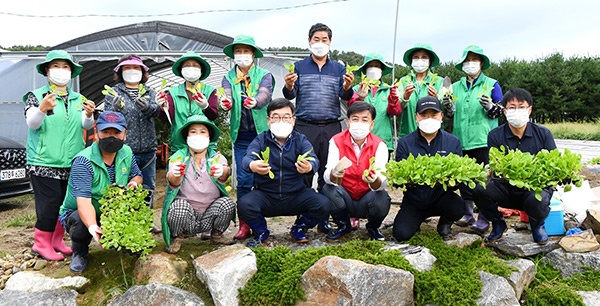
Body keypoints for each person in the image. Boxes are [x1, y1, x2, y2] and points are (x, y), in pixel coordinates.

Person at [23, 50, 96, 261]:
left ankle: (56, 240)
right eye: (56, 66)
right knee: (49, 203)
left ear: (71, 73)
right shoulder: (35, 96)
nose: (61, 71)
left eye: (66, 67)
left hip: (71, 160)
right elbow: (32, 123)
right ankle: (41, 244)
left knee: (65, 203)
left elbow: (85, 125)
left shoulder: (78, 98)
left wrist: (89, 115)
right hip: (43, 161)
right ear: (47, 71)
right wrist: (42, 109)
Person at [237, 98, 330, 247]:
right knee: (244, 204)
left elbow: (313, 158)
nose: (281, 121)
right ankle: (261, 231)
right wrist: (253, 165)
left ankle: (299, 228)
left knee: (323, 204)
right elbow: (247, 158)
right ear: (268, 120)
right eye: (276, 117)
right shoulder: (261, 140)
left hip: (296, 195)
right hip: (267, 195)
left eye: (286, 117)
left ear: (293, 120)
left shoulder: (300, 140)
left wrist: (309, 166)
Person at [58, 111, 143, 272]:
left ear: (125, 134)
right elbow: (83, 202)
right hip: (81, 210)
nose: (111, 137)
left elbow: (137, 175)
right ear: (96, 133)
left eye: (117, 132)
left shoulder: (127, 152)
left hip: (113, 209)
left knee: (137, 206)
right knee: (79, 223)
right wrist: (92, 226)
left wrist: (133, 183)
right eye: (106, 132)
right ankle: (80, 251)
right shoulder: (83, 161)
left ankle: (126, 242)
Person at [473, 88, 556, 245]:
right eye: (512, 107)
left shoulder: (543, 134)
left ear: (529, 109)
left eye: (521, 106)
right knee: (479, 189)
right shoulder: (495, 135)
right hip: (506, 187)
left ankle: (537, 224)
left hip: (534, 188)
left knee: (538, 199)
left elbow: (553, 165)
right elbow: (496, 166)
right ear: (504, 111)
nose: (516, 111)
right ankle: (498, 223)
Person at [282, 22, 354, 192]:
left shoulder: (338, 68)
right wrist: (289, 85)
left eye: (324, 39)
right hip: (305, 126)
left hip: (331, 126)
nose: (320, 43)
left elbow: (345, 96)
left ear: (330, 42)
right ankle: (304, 214)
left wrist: (347, 87)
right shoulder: (299, 66)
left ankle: (324, 213)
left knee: (328, 170)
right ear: (309, 41)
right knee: (303, 170)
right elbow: (290, 95)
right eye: (316, 39)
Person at [219, 34, 274, 240]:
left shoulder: (265, 74)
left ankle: (259, 220)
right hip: (241, 134)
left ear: (253, 54)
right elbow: (225, 94)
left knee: (262, 178)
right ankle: (244, 223)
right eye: (238, 51)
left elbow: (265, 93)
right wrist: (226, 102)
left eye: (246, 51)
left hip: (262, 135)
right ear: (234, 55)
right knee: (243, 180)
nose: (242, 55)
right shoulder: (228, 77)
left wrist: (256, 102)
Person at [444, 45, 504, 234]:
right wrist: (449, 109)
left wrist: (491, 107)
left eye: (474, 60)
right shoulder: (456, 86)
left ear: (481, 63)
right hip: (461, 139)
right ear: (462, 64)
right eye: (467, 60)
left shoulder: (492, 84)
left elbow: (502, 110)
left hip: (484, 140)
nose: (471, 64)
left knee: (484, 181)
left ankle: (484, 217)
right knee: (464, 179)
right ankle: (468, 213)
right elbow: (449, 113)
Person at [392, 96, 464, 242]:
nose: (429, 119)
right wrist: (409, 179)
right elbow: (398, 179)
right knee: (401, 234)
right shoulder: (405, 143)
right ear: (416, 117)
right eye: (424, 115)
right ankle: (416, 220)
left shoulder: (453, 142)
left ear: (441, 116)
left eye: (433, 115)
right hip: (414, 200)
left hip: (441, 198)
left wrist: (450, 179)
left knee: (458, 206)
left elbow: (458, 178)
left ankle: (444, 223)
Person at [161, 114, 236, 253]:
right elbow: (172, 180)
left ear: (209, 137)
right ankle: (178, 236)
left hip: (209, 215)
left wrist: (223, 171)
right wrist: (176, 174)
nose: (198, 135)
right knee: (178, 207)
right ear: (187, 136)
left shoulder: (216, 157)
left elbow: (225, 173)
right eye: (193, 132)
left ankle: (216, 235)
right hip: (186, 216)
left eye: (203, 132)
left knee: (228, 204)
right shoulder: (178, 157)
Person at [103, 54, 161, 232]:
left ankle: (145, 222)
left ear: (143, 72)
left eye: (136, 68)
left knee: (148, 187)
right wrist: (116, 108)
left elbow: (157, 113)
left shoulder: (149, 92)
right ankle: (126, 222)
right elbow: (107, 119)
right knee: (124, 186)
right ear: (120, 71)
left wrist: (148, 107)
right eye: (127, 68)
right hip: (125, 150)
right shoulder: (114, 92)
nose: (132, 71)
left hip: (148, 149)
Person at [322, 102, 391, 241]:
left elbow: (382, 182)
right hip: (345, 196)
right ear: (348, 122)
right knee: (328, 189)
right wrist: (334, 173)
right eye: (355, 119)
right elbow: (327, 175)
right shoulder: (336, 141)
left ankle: (373, 227)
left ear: (372, 124)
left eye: (364, 119)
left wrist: (375, 180)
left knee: (382, 197)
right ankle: (343, 225)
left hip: (367, 198)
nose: (359, 123)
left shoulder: (380, 145)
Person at [347, 52, 400, 230]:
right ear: (364, 69)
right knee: (355, 176)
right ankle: (354, 213)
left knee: (377, 177)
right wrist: (360, 97)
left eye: (377, 66)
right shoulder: (358, 88)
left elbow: (395, 112)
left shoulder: (388, 89)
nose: (374, 70)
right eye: (371, 66)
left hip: (382, 140)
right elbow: (351, 108)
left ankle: (376, 213)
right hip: (358, 140)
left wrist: (393, 100)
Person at [157, 51, 219, 153]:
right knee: (178, 169)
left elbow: (213, 115)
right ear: (181, 70)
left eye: (195, 65)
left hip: (204, 147)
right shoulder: (173, 93)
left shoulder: (210, 91)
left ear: (201, 70)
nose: (191, 68)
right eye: (187, 65)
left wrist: (206, 107)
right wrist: (162, 108)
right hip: (179, 146)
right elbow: (168, 119)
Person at [397, 43, 444, 139]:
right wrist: (405, 97)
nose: (420, 60)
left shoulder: (439, 81)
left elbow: (447, 109)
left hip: (433, 134)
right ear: (411, 61)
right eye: (416, 57)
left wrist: (436, 99)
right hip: (408, 134)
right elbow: (396, 108)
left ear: (430, 61)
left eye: (424, 57)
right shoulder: (403, 81)